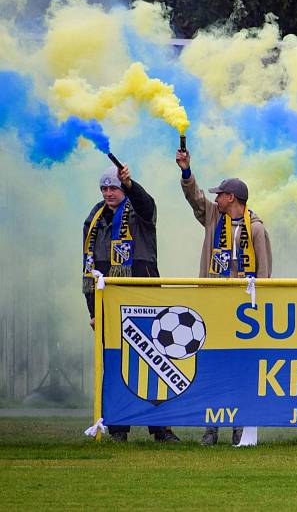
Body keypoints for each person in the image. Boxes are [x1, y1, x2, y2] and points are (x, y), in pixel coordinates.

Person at [176, 149, 273, 445]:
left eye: (220, 194)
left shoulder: (255, 228)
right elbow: (194, 198)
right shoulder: (213, 217)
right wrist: (186, 170)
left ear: (231, 197)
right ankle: (211, 426)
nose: (215, 197)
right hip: (211, 304)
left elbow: (265, 272)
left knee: (240, 367)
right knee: (210, 365)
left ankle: (239, 427)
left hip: (241, 310)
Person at [83, 164, 179, 443]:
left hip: (144, 296)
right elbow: (88, 268)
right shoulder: (94, 218)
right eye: (104, 188)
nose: (108, 193)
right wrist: (93, 310)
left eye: (113, 187)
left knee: (156, 363)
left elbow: (145, 203)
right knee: (114, 364)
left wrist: (130, 183)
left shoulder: (141, 212)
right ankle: (117, 428)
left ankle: (160, 427)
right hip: (111, 302)